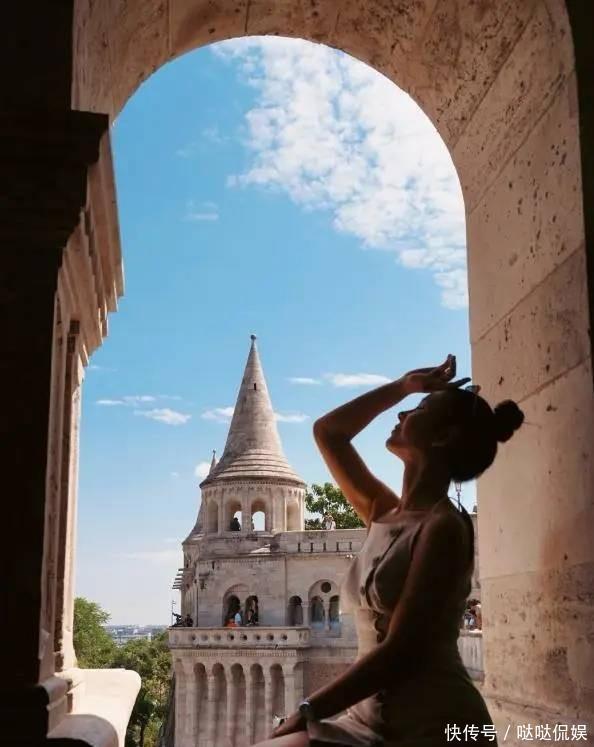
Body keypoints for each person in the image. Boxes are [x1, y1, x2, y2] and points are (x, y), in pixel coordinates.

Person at [264, 354, 524, 747]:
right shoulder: (382, 511)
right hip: (366, 721)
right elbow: (328, 432)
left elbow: (400, 650)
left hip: (431, 726)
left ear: (442, 437)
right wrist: (404, 386)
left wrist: (306, 711)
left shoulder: (445, 528)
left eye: (419, 409)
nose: (403, 413)